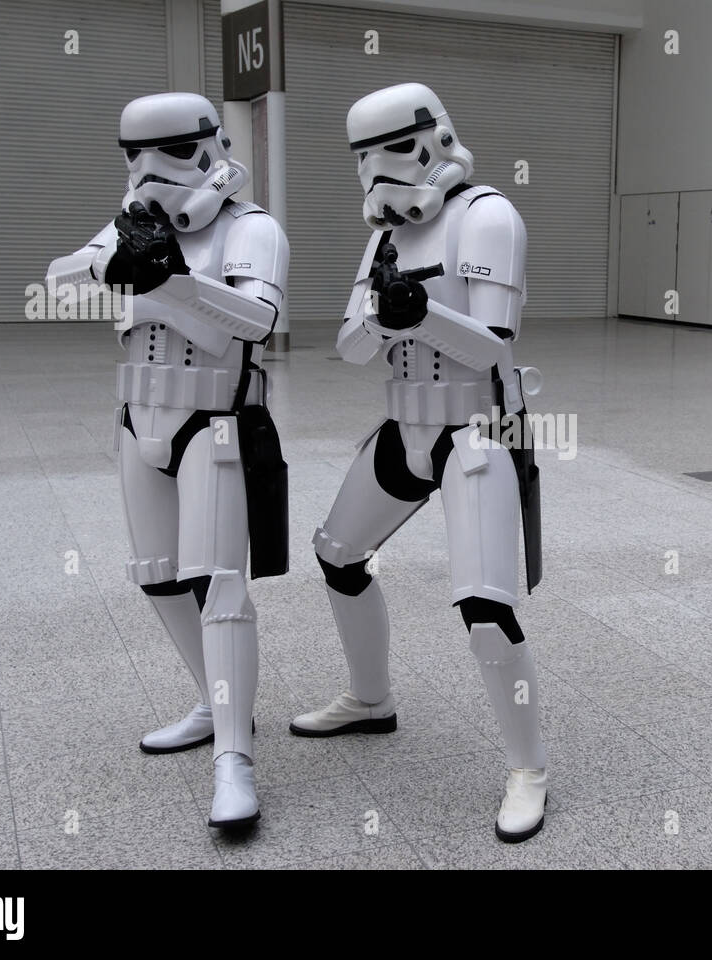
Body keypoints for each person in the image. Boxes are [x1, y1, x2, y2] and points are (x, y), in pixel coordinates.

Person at [290, 84, 549, 843]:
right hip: (404, 426)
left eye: (391, 152)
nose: (378, 174)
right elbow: (345, 344)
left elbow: (495, 343)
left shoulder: (487, 215)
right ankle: (372, 700)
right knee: (338, 555)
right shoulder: (385, 238)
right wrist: (379, 313)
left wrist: (421, 313)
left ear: (435, 140)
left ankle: (529, 767)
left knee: (485, 610)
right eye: (363, 161)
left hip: (477, 430)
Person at [46, 94, 291, 828]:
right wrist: (114, 263)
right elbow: (58, 275)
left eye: (171, 153)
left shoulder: (251, 228)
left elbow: (260, 319)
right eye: (134, 156)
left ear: (212, 149)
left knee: (218, 586)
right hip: (136, 421)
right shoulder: (134, 221)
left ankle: (235, 759)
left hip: (214, 422)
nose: (149, 172)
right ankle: (215, 705)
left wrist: (172, 282)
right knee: (157, 579)